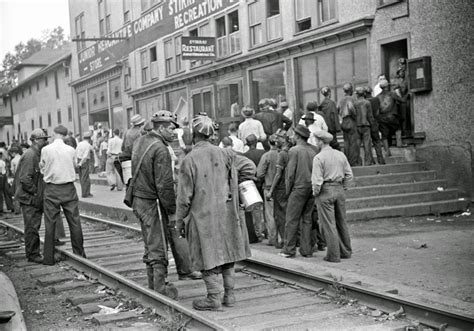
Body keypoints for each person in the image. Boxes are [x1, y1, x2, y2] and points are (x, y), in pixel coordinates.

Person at [176, 114, 252, 311]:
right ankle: (230, 296)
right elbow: (250, 168)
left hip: (203, 216)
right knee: (227, 252)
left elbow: (184, 198)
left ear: (194, 135)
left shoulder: (189, 160)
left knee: (207, 254)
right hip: (226, 212)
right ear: (210, 135)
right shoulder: (226, 154)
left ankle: (213, 298)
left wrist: (179, 220)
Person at [40, 125, 86, 265]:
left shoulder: (45, 149)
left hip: (52, 188)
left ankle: (48, 257)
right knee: (74, 221)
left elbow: (42, 166)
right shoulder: (71, 150)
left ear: (54, 134)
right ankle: (80, 255)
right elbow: (75, 165)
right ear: (66, 136)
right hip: (68, 188)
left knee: (50, 223)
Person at [311, 130, 353, 263]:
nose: (315, 143)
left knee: (329, 224)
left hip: (325, 190)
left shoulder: (319, 158)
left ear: (321, 142)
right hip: (339, 189)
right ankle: (346, 251)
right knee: (342, 221)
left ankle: (333, 255)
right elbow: (349, 175)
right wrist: (343, 187)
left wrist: (316, 193)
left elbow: (317, 180)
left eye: (316, 140)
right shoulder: (340, 155)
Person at [279, 124, 317, 258]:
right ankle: (306, 250)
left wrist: (288, 191)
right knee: (307, 220)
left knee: (291, 220)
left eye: (294, 135)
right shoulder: (313, 151)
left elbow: (290, 174)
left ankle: (289, 249)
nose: (293, 137)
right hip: (311, 188)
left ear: (298, 136)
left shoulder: (294, 151)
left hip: (298, 188)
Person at [266, 129, 291, 249]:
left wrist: (271, 191)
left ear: (284, 139)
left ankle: (285, 241)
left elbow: (278, 174)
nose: (276, 140)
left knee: (280, 216)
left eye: (279, 137)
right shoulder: (290, 151)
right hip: (288, 186)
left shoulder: (282, 154)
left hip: (281, 188)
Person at [256, 134, 279, 246]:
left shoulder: (267, 156)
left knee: (270, 214)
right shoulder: (284, 154)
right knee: (281, 213)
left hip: (269, 187)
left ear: (269, 143)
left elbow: (260, 173)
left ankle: (272, 239)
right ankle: (282, 238)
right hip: (282, 189)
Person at [243, 134, 266, 242]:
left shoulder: (245, 155)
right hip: (263, 183)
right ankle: (265, 231)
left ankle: (258, 232)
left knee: (254, 209)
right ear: (256, 142)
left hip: (251, 184)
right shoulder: (263, 153)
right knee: (265, 209)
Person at [377, 79, 403, 155]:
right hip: (392, 117)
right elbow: (402, 100)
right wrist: (407, 93)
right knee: (398, 128)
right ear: (387, 86)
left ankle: (387, 151)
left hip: (382, 118)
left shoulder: (377, 97)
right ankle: (399, 144)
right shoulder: (391, 94)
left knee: (384, 135)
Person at [353, 87, 375, 166]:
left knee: (357, 145)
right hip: (366, 125)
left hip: (357, 125)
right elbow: (370, 115)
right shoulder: (367, 103)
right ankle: (367, 161)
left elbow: (353, 114)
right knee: (367, 144)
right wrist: (373, 125)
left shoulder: (355, 103)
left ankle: (358, 162)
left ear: (357, 94)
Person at [338, 83, 359, 166]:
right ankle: (353, 162)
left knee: (346, 142)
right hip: (350, 120)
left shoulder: (341, 100)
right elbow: (350, 108)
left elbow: (338, 109)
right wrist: (355, 116)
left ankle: (347, 161)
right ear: (351, 90)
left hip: (344, 121)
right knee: (353, 142)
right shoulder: (351, 99)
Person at [364, 86, 385, 164]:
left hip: (367, 123)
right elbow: (378, 111)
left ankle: (371, 160)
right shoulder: (376, 99)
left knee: (368, 143)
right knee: (377, 141)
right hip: (375, 122)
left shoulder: (365, 101)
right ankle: (381, 159)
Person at [75, 132, 93, 198]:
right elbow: (85, 156)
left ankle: (87, 192)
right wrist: (80, 163)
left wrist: (77, 162)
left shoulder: (79, 144)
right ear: (89, 138)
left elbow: (75, 153)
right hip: (84, 162)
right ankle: (85, 193)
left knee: (82, 177)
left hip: (79, 160)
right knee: (85, 178)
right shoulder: (88, 145)